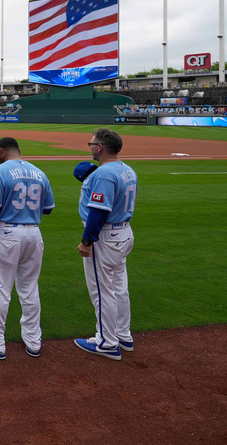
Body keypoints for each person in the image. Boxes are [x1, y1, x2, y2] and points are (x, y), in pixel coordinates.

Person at [0, 137, 55, 360]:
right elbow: (47, 209)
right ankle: (33, 340)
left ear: (0, 151)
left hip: (7, 233)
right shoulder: (39, 172)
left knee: (0, 289)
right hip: (34, 234)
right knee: (29, 288)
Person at [74, 128, 138, 360]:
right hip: (124, 234)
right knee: (119, 287)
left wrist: (87, 241)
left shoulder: (103, 174)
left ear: (100, 147)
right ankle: (123, 335)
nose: (90, 147)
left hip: (106, 237)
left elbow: (99, 212)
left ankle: (107, 342)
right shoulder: (128, 170)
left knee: (103, 291)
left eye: (91, 143)